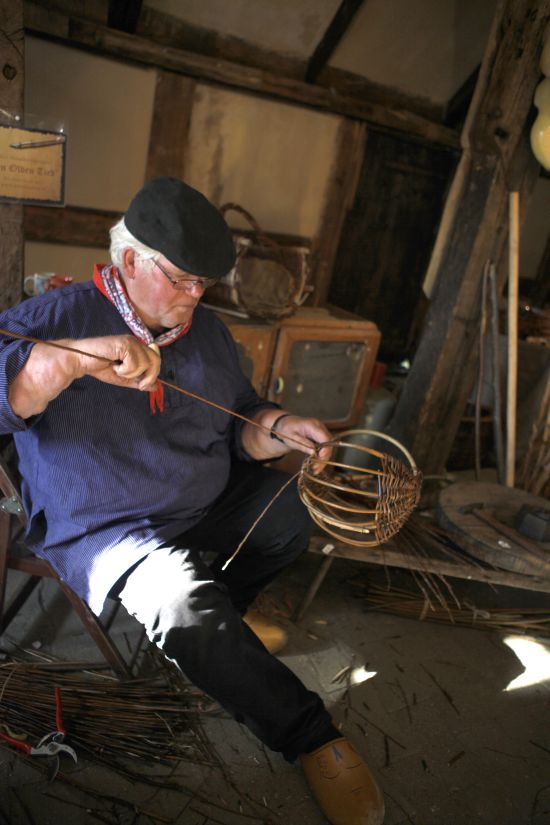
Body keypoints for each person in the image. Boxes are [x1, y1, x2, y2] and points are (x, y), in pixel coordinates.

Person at [0, 177, 384, 825]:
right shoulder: (55, 320)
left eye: (204, 283)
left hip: (200, 497)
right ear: (130, 261)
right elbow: (9, 390)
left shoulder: (207, 333)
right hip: (108, 524)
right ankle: (311, 736)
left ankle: (222, 631)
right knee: (183, 601)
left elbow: (242, 420)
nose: (194, 295)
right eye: (180, 279)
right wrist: (74, 361)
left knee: (290, 514)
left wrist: (280, 427)